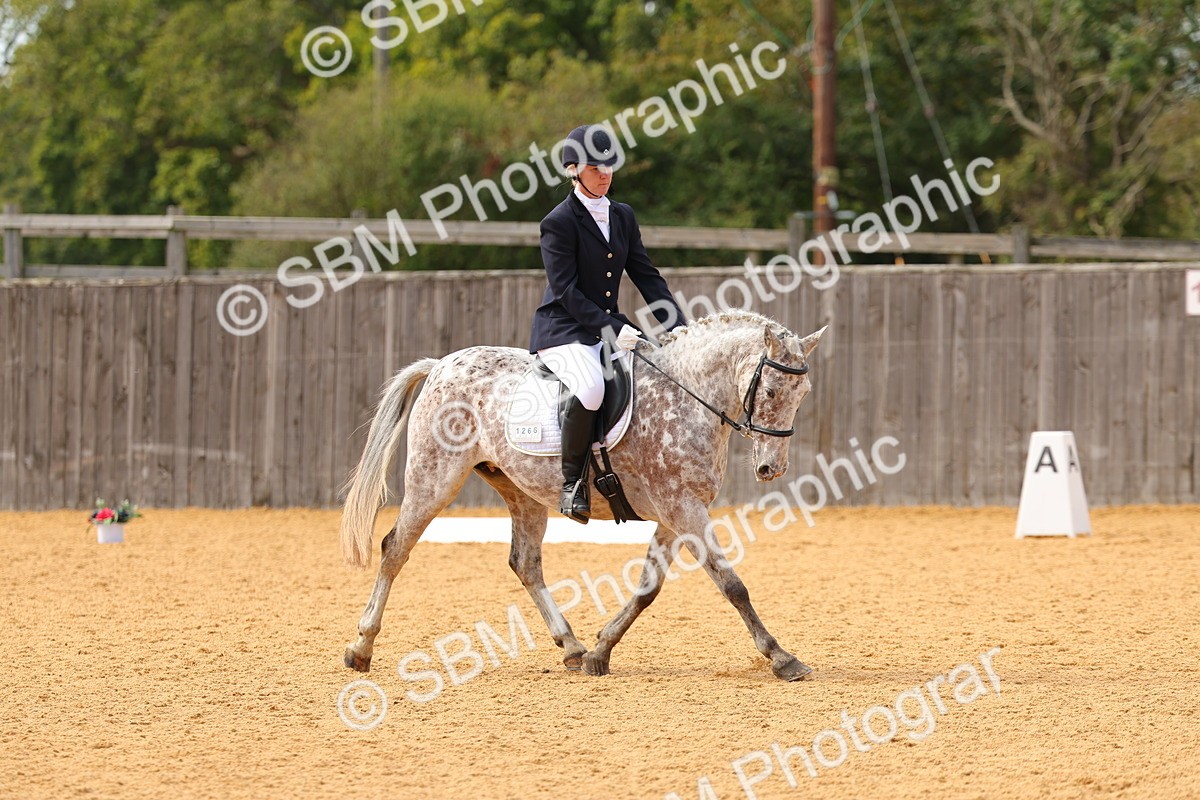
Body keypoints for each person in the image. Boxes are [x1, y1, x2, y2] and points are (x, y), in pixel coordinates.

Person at [528, 124, 688, 523]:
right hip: (564, 329)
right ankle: (572, 485)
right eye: (595, 167)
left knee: (655, 374)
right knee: (592, 386)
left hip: (607, 324)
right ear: (573, 170)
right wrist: (612, 330)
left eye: (609, 167)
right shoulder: (558, 221)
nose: (604, 175)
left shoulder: (623, 215)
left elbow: (645, 275)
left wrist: (678, 326)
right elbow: (565, 291)